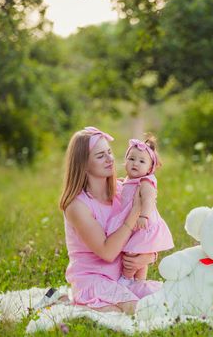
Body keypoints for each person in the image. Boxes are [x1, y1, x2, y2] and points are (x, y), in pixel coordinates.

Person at [59, 126, 160, 314]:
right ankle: (68, 302)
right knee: (132, 311)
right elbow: (107, 252)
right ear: (83, 164)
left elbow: (148, 231)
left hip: (122, 278)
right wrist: (135, 212)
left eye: (109, 152)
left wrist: (148, 257)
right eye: (100, 156)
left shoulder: (122, 191)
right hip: (92, 279)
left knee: (162, 303)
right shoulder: (77, 206)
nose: (110, 159)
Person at [106, 135, 174, 284]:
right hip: (134, 223)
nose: (135, 163)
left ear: (150, 168)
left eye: (142, 161)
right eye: (131, 159)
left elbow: (148, 200)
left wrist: (144, 216)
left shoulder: (146, 182)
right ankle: (140, 283)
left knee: (133, 252)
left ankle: (126, 278)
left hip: (142, 225)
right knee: (140, 253)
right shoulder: (129, 180)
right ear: (125, 161)